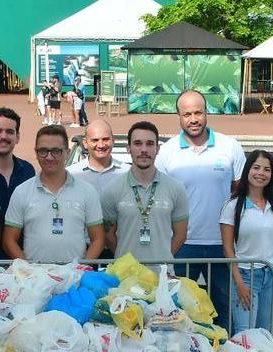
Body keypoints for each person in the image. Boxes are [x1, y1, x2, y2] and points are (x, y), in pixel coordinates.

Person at [156, 89, 246, 326]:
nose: (193, 119)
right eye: (187, 114)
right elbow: (159, 199)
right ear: (178, 116)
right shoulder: (167, 152)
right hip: (182, 245)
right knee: (179, 312)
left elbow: (240, 191)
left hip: (222, 246)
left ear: (207, 112)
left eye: (198, 112)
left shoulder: (230, 147)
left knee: (224, 312)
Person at [3, 124, 104, 263]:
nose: (49, 157)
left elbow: (98, 239)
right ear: (36, 152)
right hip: (35, 279)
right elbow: (9, 240)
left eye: (56, 151)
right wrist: (29, 270)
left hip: (75, 278)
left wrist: (81, 269)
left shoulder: (87, 191)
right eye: (43, 151)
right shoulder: (21, 192)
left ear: (67, 153)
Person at [221, 150, 273, 333]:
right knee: (245, 334)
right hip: (246, 275)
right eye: (256, 167)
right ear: (247, 170)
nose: (261, 173)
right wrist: (239, 284)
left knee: (266, 332)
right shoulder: (233, 206)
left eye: (267, 169)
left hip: (272, 274)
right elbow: (228, 249)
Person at [101, 121, 188, 262]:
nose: (144, 150)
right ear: (128, 148)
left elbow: (181, 235)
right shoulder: (112, 189)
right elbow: (108, 235)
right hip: (125, 276)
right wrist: (127, 261)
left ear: (157, 148)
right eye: (137, 143)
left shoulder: (176, 188)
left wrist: (163, 258)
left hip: (162, 275)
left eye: (149, 144)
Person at [67, 120, 127, 196]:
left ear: (113, 141)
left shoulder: (128, 173)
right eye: (95, 140)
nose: (101, 145)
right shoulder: (70, 175)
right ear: (85, 143)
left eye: (105, 139)